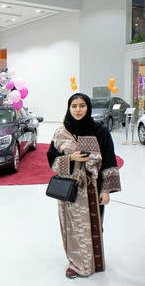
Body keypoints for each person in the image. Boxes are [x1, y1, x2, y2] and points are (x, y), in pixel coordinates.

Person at [47, 93, 121, 279]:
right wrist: (70, 158)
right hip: (71, 189)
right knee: (73, 228)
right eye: (74, 106)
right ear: (69, 108)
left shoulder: (99, 130)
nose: (78, 109)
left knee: (94, 226)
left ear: (88, 107)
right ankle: (75, 263)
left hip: (94, 188)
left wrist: (106, 190)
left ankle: (93, 262)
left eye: (82, 105)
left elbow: (109, 160)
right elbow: (52, 160)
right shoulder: (61, 131)